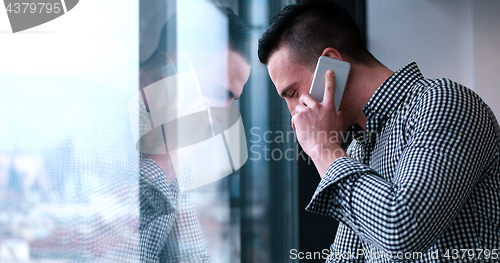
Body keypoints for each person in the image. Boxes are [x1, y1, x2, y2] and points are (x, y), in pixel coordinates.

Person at [258, 0, 500, 262]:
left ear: (330, 68)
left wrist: (323, 149)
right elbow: (344, 257)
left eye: (292, 94)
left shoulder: (445, 102)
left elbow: (402, 232)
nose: (293, 115)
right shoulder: (357, 150)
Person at [138, 5, 251, 263]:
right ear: (175, 71)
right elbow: (123, 251)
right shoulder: (102, 124)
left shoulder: (174, 141)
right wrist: (169, 158)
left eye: (233, 99)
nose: (224, 113)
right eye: (221, 93)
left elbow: (190, 254)